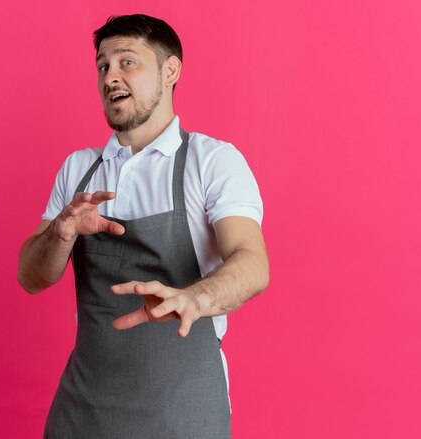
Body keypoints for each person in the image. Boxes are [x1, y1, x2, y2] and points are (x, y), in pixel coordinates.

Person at [18, 14, 269, 439]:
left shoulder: (211, 162)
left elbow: (251, 261)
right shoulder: (79, 170)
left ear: (170, 71)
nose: (110, 76)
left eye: (127, 62)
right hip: (84, 410)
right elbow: (30, 277)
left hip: (183, 411)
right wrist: (61, 233)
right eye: (103, 66)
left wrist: (194, 298)